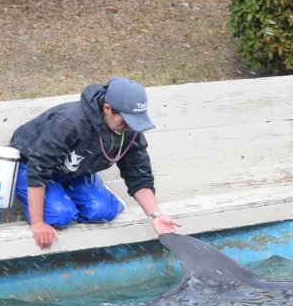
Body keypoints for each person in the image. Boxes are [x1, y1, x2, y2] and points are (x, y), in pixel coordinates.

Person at [10, 76, 180, 249]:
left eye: (135, 123)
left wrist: (156, 217)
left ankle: (76, 196)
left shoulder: (130, 130)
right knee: (60, 215)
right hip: (30, 166)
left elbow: (139, 175)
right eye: (125, 121)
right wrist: (38, 223)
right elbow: (38, 169)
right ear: (107, 108)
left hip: (75, 172)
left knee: (102, 211)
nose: (129, 128)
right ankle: (63, 200)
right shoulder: (69, 121)